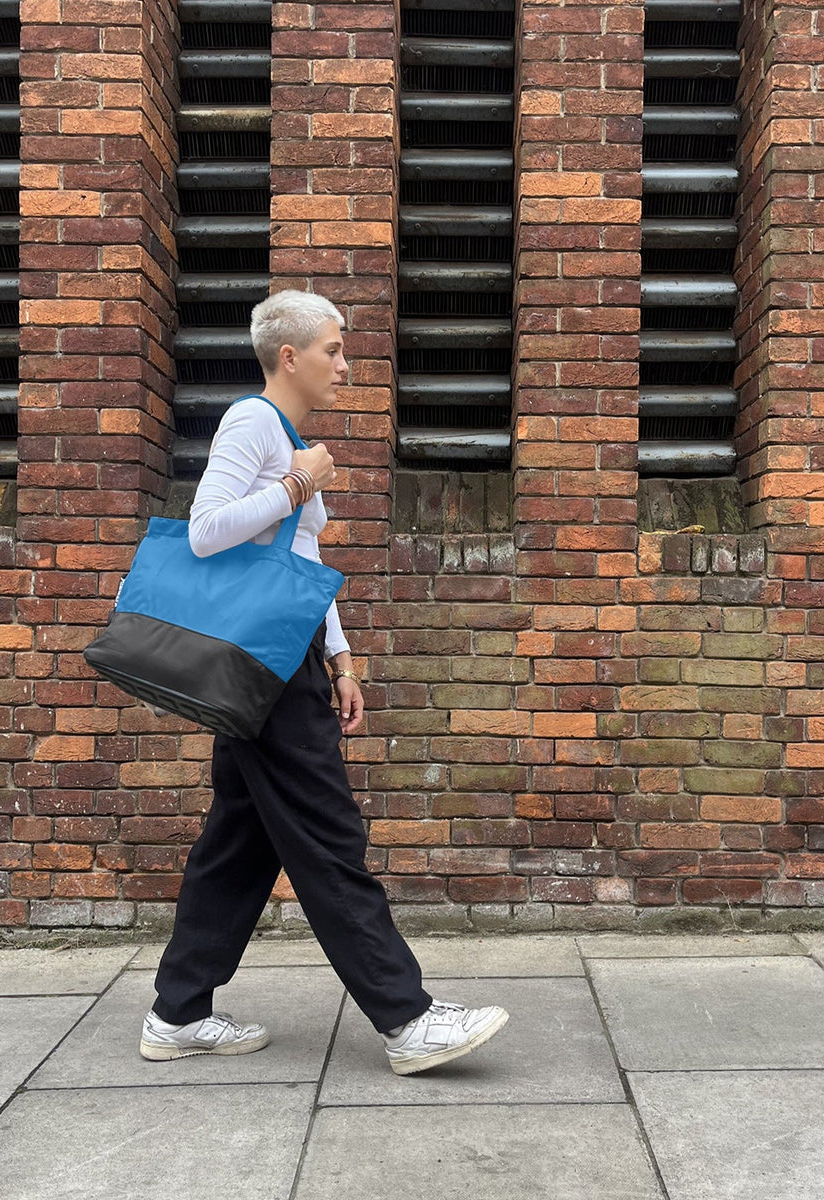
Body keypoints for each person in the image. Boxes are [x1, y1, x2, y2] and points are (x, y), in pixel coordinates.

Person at [138, 289, 508, 1075]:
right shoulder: (253, 423)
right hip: (267, 667)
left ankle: (177, 1013)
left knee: (238, 844)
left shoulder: (288, 436)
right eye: (333, 350)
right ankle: (406, 1019)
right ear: (290, 356)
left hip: (285, 652)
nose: (344, 365)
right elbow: (205, 532)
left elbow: (295, 563)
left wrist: (340, 658)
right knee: (328, 834)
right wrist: (297, 485)